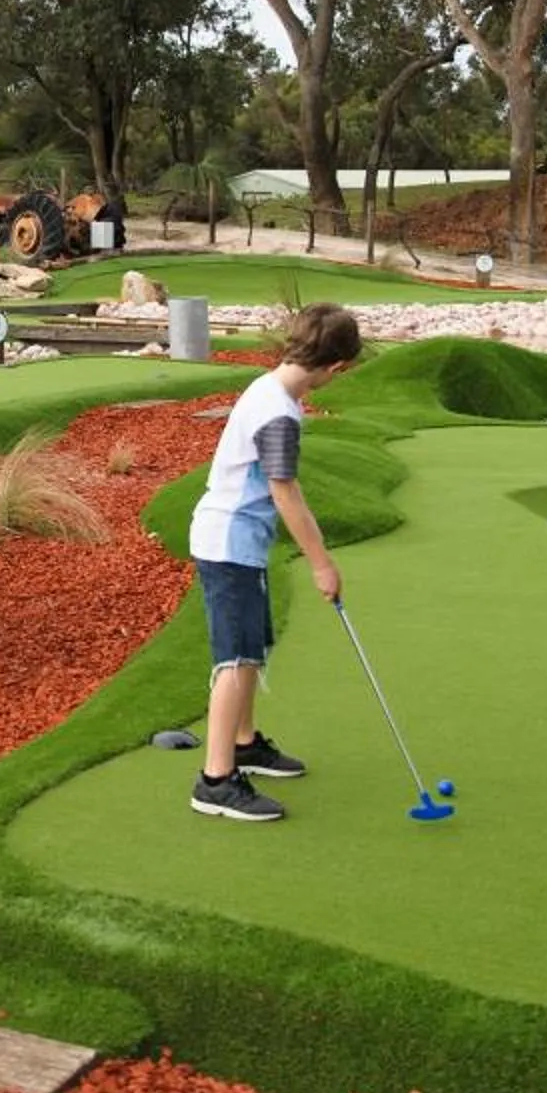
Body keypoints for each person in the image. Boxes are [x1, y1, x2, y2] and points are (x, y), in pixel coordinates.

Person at [183, 302, 364, 822]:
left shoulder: (269, 388)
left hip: (237, 540)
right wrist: (322, 564)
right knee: (235, 659)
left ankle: (243, 745)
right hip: (228, 541)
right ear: (337, 368)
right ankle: (215, 780)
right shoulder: (279, 413)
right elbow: (286, 494)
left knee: (252, 645)